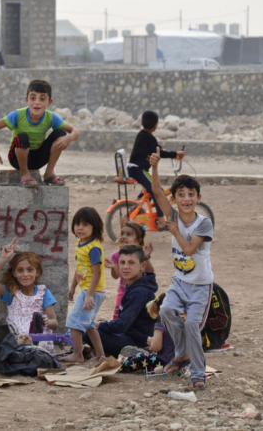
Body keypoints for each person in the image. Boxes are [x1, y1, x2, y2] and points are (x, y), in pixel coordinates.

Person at [149, 148, 214, 391]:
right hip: (179, 283)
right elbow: (156, 191)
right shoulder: (172, 214)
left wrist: (173, 230)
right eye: (180, 194)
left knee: (191, 325)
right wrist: (154, 167)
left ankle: (198, 373)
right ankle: (182, 354)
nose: (186, 198)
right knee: (165, 310)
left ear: (198, 197)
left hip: (199, 287)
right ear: (174, 198)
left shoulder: (204, 223)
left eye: (191, 194)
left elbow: (188, 249)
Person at [0, 79, 81, 188]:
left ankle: (49, 173)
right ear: (27, 100)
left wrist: (69, 138)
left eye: (42, 99)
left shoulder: (50, 117)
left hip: (38, 159)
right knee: (22, 137)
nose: (37, 102)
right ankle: (24, 174)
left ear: (49, 102)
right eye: (33, 98)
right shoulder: (18, 115)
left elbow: (76, 131)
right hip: (17, 158)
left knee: (60, 133)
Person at [0, 237, 58, 351]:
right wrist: (3, 259)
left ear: (37, 272)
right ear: (14, 273)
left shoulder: (44, 293)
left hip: (38, 343)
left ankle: (30, 347)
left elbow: (54, 324)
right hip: (15, 341)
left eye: (30, 270)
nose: (25, 274)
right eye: (20, 270)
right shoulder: (11, 292)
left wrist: (48, 322)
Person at [87, 245, 158, 357]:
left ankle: (136, 354)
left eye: (131, 263)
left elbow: (122, 325)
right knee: (98, 324)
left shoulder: (139, 291)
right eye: (122, 262)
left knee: (87, 331)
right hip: (129, 334)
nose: (125, 267)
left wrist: (97, 325)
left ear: (143, 266)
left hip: (137, 343)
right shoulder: (134, 284)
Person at [61, 207, 106, 363]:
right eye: (77, 224)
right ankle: (101, 356)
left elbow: (97, 273)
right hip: (89, 291)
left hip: (92, 292)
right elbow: (79, 269)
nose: (80, 228)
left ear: (95, 227)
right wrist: (73, 287)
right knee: (89, 325)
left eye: (85, 224)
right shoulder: (80, 244)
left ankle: (78, 355)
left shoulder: (93, 247)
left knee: (73, 320)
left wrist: (89, 295)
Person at [127, 111, 185, 229]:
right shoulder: (149, 138)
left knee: (152, 188)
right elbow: (160, 152)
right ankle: (161, 220)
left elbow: (155, 150)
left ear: (142, 123)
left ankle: (140, 202)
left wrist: (170, 153)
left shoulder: (141, 135)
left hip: (133, 168)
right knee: (158, 191)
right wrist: (175, 154)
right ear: (155, 125)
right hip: (138, 170)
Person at [105, 222, 154, 319]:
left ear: (139, 240)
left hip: (140, 291)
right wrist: (114, 267)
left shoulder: (140, 255)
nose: (123, 237)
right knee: (119, 310)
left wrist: (146, 257)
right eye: (122, 234)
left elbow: (150, 272)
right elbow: (116, 276)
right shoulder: (116, 255)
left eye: (129, 234)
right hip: (123, 291)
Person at [119, 292, 176, 374]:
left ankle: (121, 365)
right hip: (179, 362)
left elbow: (156, 348)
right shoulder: (182, 324)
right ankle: (133, 356)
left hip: (163, 362)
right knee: (149, 356)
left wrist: (151, 342)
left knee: (140, 358)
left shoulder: (161, 326)